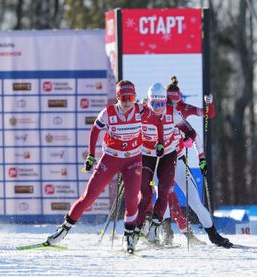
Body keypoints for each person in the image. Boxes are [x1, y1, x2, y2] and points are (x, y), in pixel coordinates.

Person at [45, 80, 164, 253]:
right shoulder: (108, 113)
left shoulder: (142, 111)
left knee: (132, 200)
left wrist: (160, 144)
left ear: (135, 97)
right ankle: (63, 230)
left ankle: (129, 236)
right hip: (111, 159)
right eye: (124, 98)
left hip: (133, 160)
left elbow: (158, 123)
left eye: (131, 97)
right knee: (89, 195)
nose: (127, 102)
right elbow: (94, 131)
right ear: (117, 97)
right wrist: (91, 155)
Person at [161, 77, 232, 248]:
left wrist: (209, 104)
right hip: (159, 161)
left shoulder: (183, 109)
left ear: (179, 98)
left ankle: (213, 235)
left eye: (175, 99)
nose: (172, 103)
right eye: (168, 100)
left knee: (194, 201)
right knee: (161, 197)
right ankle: (163, 232)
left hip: (178, 156)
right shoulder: (158, 110)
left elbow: (207, 116)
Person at [135, 83, 200, 244]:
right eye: (154, 104)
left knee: (167, 195)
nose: (157, 108)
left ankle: (163, 230)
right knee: (145, 194)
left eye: (161, 104)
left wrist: (188, 141)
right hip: (147, 157)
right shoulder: (140, 112)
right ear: (148, 101)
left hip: (168, 157)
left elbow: (192, 131)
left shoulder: (174, 112)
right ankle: (140, 229)